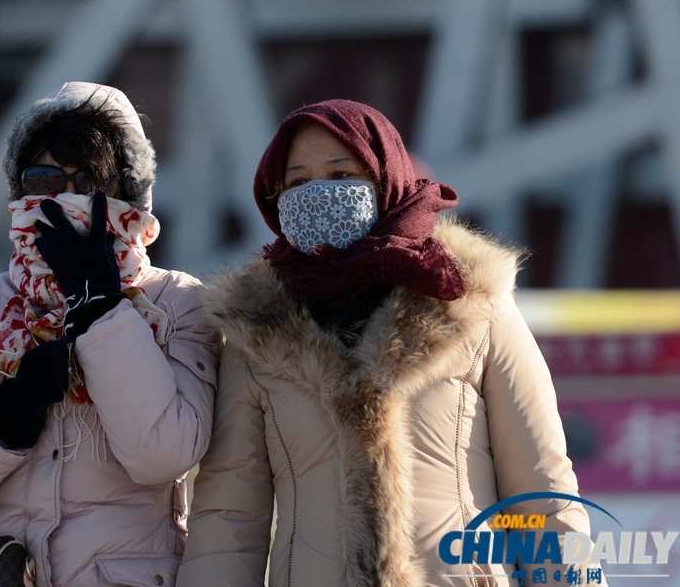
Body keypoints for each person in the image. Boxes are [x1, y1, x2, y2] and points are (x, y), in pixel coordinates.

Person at [176, 99, 602, 586]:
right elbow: (230, 519)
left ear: (386, 180)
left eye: (341, 176)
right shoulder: (258, 330)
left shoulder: (470, 300)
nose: (319, 193)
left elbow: (542, 491)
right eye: (297, 183)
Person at [0, 82, 221, 587]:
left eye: (84, 181)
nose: (62, 197)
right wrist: (4, 419)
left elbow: (162, 454)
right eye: (42, 178)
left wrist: (102, 310)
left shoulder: (176, 303)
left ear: (126, 196)